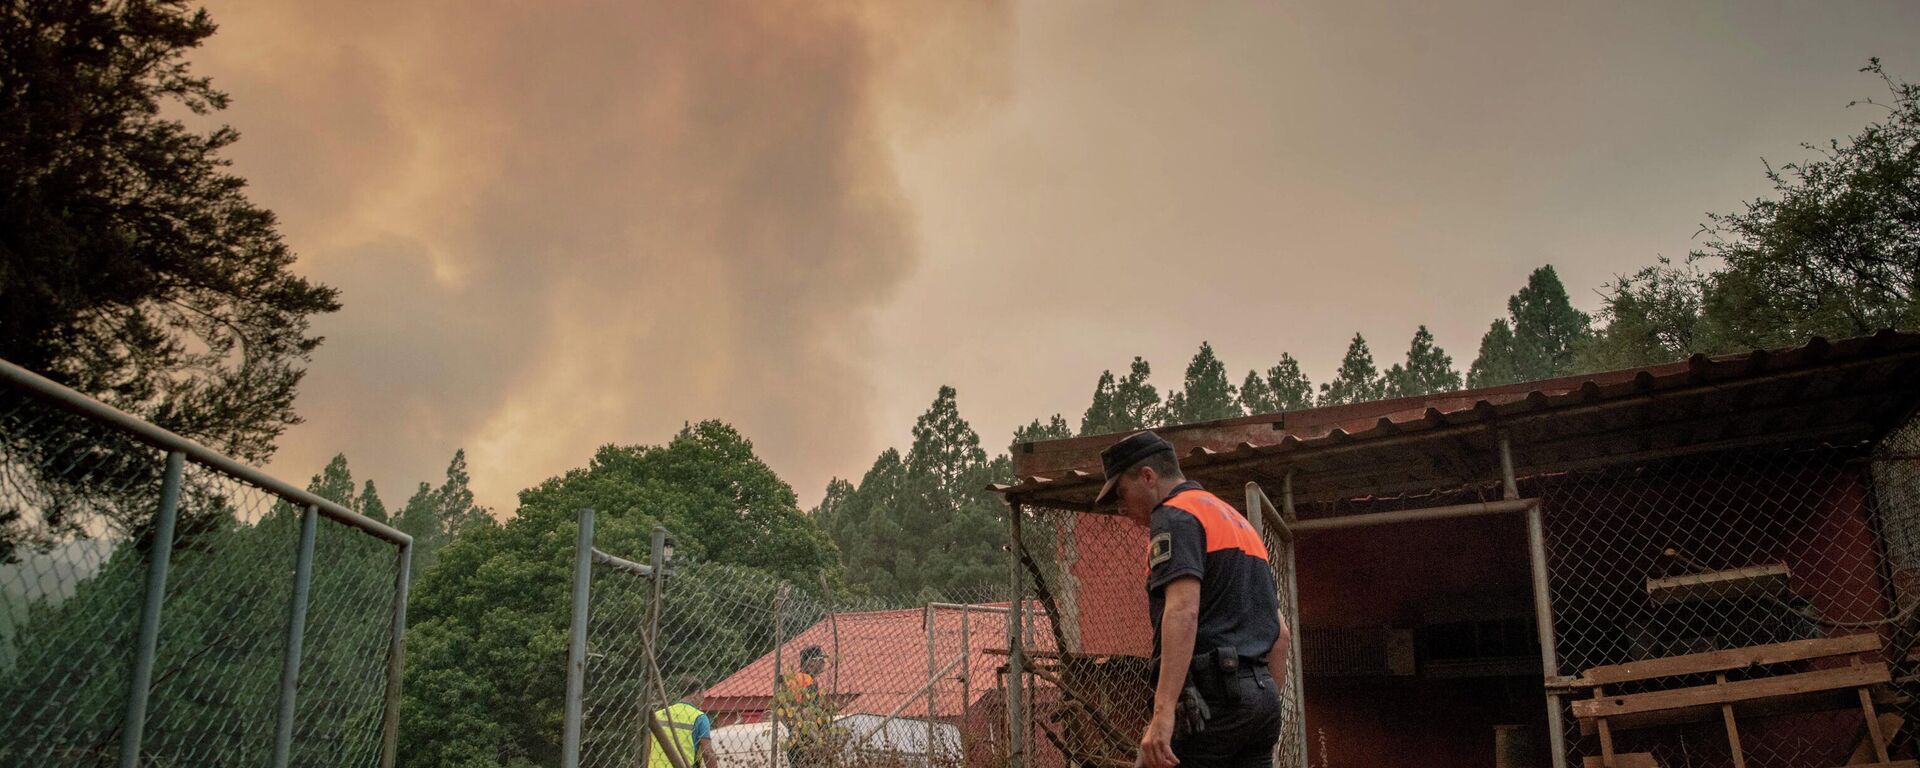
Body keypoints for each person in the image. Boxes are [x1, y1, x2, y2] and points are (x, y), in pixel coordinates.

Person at [1095, 430, 1293, 768]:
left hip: (1210, 702)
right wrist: (1261, 707)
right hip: (1261, 699)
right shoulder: (1236, 522)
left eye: (1122, 493)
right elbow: (1281, 634)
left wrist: (1162, 715)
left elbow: (1183, 610)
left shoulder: (1174, 515)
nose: (1121, 507)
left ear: (1148, 477)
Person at [773, 645, 834, 767]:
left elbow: (781, 713)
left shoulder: (792, 679)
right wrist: (819, 741)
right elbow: (807, 713)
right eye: (820, 661)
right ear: (810, 662)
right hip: (807, 744)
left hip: (795, 742)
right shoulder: (807, 681)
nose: (822, 664)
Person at [644, 675, 717, 768]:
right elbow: (707, 752)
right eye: (702, 695)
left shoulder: (658, 715)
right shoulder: (699, 717)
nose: (703, 699)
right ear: (696, 693)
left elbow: (646, 748)